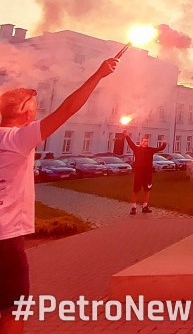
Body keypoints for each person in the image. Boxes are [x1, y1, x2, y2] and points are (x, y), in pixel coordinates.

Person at [0, 58, 118, 334]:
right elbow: (68, 108)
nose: (37, 112)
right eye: (34, 107)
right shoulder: (17, 139)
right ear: (24, 113)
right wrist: (99, 74)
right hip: (5, 242)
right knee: (12, 311)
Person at [124, 129, 167, 214]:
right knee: (136, 190)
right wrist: (126, 135)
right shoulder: (136, 149)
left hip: (147, 174)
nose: (145, 143)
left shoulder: (150, 150)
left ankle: (145, 206)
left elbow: (159, 149)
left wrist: (164, 144)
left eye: (146, 141)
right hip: (139, 173)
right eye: (144, 141)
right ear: (141, 142)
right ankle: (133, 207)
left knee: (147, 190)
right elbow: (130, 143)